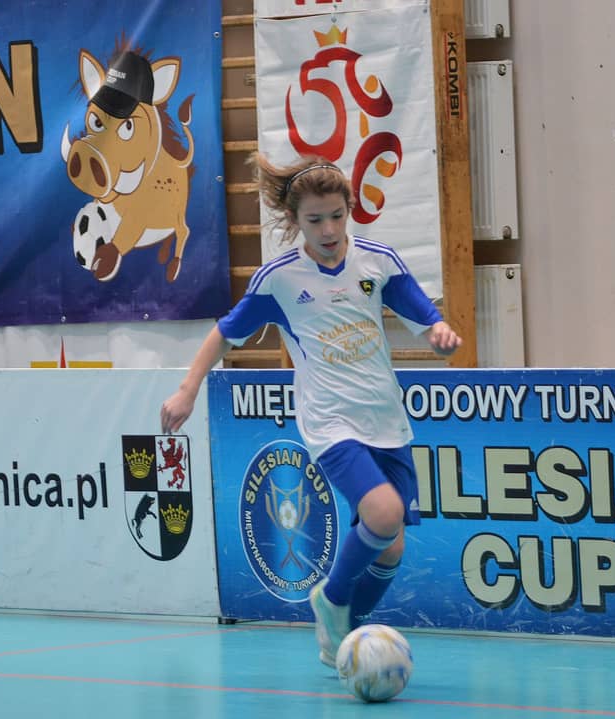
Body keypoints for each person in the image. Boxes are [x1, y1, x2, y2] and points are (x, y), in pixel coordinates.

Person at [160, 154, 461, 667]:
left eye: (337, 216)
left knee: (390, 546)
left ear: (350, 210)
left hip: (386, 420)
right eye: (315, 219)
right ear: (294, 220)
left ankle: (344, 638)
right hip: (330, 421)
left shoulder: (378, 261)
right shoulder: (279, 279)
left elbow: (426, 318)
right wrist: (188, 389)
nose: (328, 230)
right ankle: (331, 599)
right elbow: (224, 333)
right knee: (383, 513)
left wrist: (439, 335)